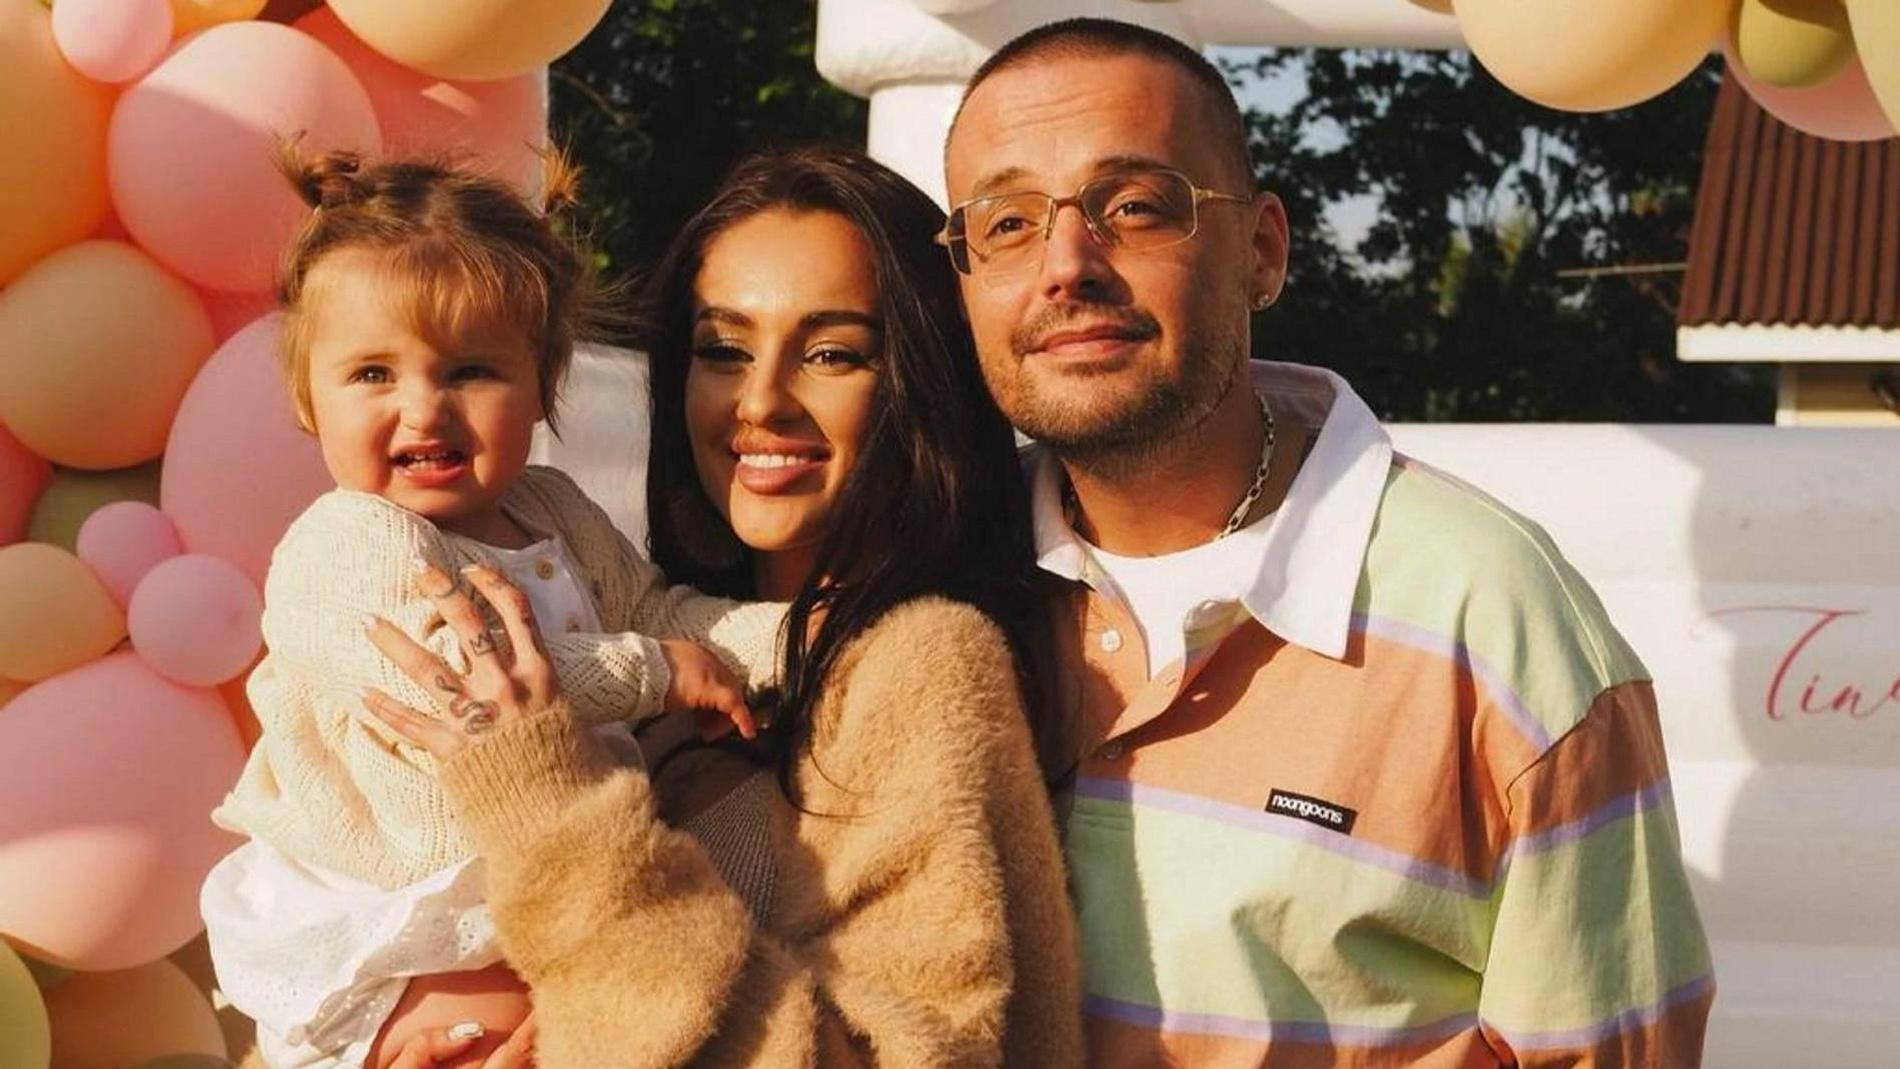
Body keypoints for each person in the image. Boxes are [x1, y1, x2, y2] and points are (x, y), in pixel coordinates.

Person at [937, 17, 1715, 1068]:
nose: (1066, 264)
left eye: (1135, 206)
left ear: (1261, 251)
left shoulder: (1490, 615)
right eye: (1006, 223)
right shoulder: (938, 578)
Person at [357, 146, 1084, 1067]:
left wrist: (548, 805)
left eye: (832, 353)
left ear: (918, 383)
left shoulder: (923, 662)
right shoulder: (641, 633)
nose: (761, 400)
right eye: (724, 351)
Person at [202, 149, 786, 1069]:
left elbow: (661, 611)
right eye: (373, 375)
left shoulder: (554, 508)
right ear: (307, 397)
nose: (424, 410)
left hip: (546, 877)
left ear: (544, 383)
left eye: (470, 370)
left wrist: (799, 635)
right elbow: (451, 681)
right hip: (402, 910)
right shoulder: (345, 538)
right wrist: (656, 672)